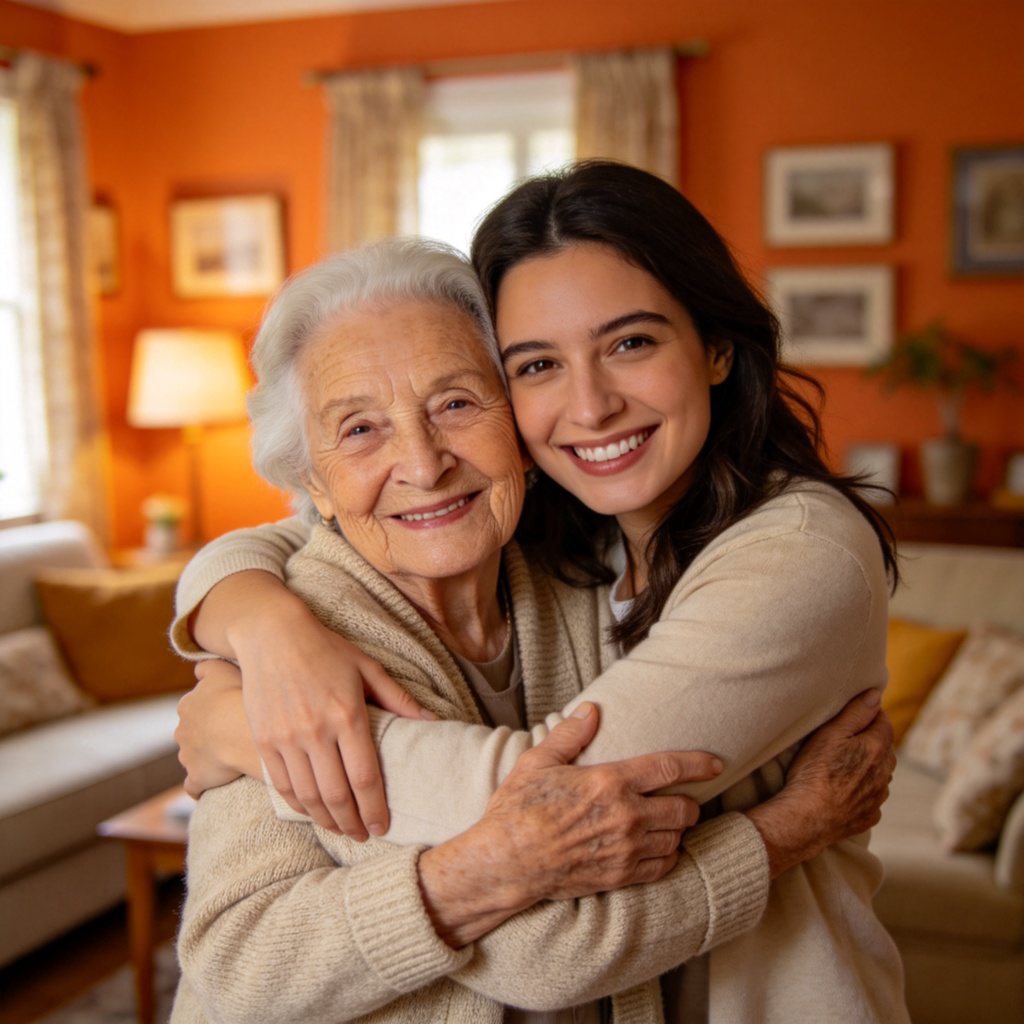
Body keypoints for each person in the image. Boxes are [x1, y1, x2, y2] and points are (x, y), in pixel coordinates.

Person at [169, 233, 898, 1024]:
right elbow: (242, 965)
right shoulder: (290, 655)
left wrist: (243, 730)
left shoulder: (575, 565)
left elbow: (582, 819)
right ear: (311, 480)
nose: (422, 462)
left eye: (455, 403)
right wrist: (779, 835)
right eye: (359, 430)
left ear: (515, 425)